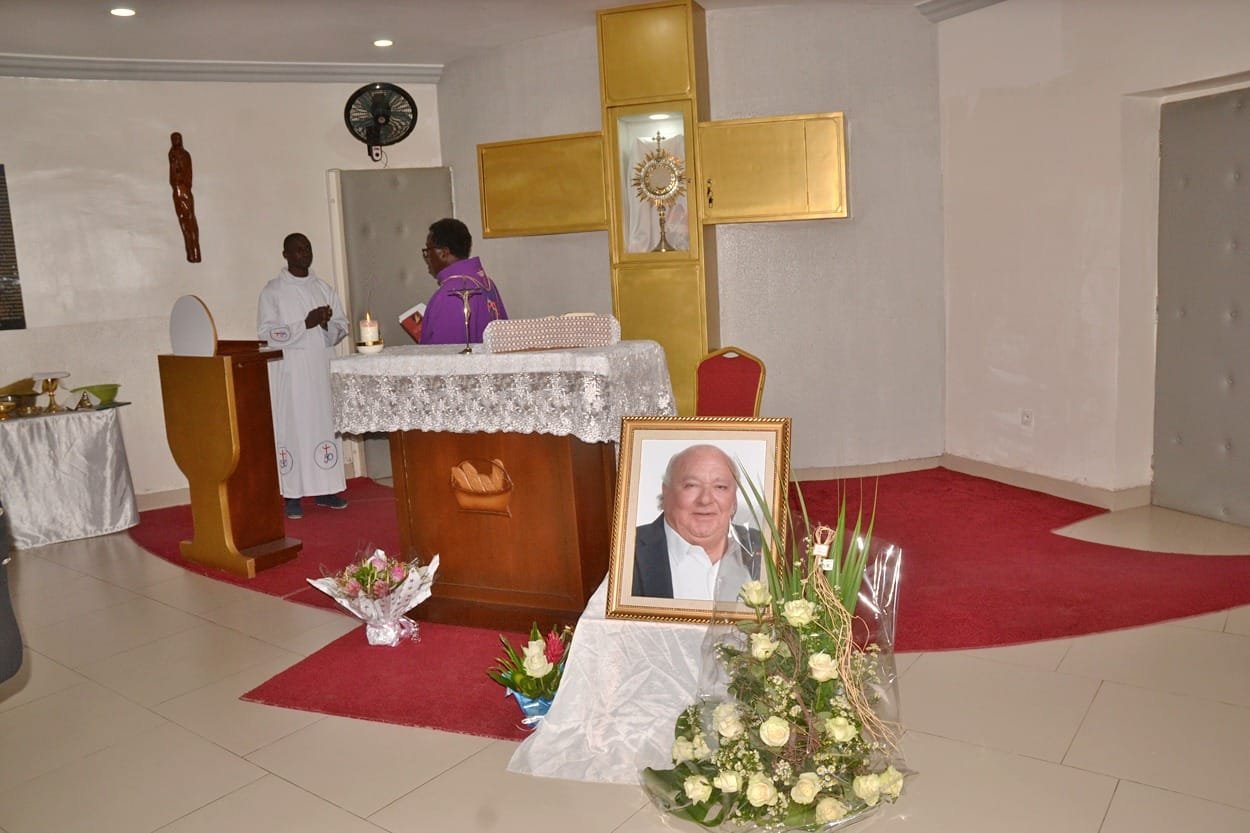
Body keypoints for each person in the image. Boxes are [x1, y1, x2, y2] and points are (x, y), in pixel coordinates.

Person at [257, 233, 350, 519]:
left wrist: (324, 326)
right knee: (293, 429)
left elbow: (341, 326)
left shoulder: (323, 288)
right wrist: (304, 324)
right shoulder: (273, 291)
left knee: (322, 424)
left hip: (320, 368)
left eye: (307, 248)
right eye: (297, 249)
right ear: (285, 254)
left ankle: (325, 489)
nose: (304, 253)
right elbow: (266, 334)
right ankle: (293, 496)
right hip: (291, 374)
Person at [632, 444, 761, 601]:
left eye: (720, 487)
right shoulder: (627, 549)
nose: (705, 499)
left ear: (734, 498)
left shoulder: (764, 547)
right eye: (691, 486)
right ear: (666, 491)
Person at [418, 217, 507, 344]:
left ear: (444, 253)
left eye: (428, 250)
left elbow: (444, 356)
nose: (427, 258)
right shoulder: (487, 282)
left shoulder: (452, 293)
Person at [168, 132, 201, 263]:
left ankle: (194, 252)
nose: (175, 141)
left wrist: (181, 182)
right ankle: (191, 253)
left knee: (189, 220)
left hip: (183, 190)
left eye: (177, 139)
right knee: (184, 220)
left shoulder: (183, 155)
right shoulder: (172, 154)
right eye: (173, 139)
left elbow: (185, 174)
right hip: (177, 190)